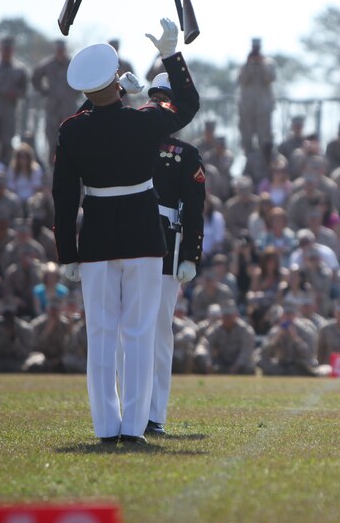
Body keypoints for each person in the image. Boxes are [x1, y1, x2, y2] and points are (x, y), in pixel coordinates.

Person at [53, 19, 199, 444]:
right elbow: (187, 105)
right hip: (141, 233)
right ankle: (134, 427)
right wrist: (172, 57)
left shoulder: (73, 128)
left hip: (97, 234)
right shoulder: (143, 121)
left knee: (101, 334)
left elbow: (63, 196)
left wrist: (66, 252)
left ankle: (105, 427)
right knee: (138, 333)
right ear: (119, 82)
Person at [142, 72, 206, 435]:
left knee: (159, 330)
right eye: (154, 98)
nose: (158, 105)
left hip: (166, 241)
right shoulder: (130, 139)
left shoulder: (185, 154)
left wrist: (190, 257)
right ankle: (130, 409)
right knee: (127, 329)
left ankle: (154, 414)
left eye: (165, 99)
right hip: (128, 237)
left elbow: (195, 209)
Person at [30, 39, 81, 165]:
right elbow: (35, 77)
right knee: (52, 141)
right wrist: (44, 91)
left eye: (62, 49)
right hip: (52, 109)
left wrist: (75, 93)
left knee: (71, 139)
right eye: (58, 49)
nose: (60, 51)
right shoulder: (48, 64)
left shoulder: (72, 64)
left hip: (69, 109)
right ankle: (51, 171)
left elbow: (81, 78)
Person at [0, 36, 30, 164]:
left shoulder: (20, 70)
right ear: (0, 49)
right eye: (4, 48)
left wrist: (15, 93)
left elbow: (24, 91)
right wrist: (3, 90)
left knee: (8, 142)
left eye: (9, 48)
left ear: (13, 50)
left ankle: (7, 167)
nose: (7, 51)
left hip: (9, 112)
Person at [237, 37, 277, 162]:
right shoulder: (245, 63)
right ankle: (249, 164)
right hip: (247, 109)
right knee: (247, 140)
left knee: (265, 139)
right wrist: (249, 64)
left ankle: (266, 163)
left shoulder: (269, 63)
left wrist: (262, 63)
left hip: (263, 110)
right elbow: (242, 80)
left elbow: (270, 78)